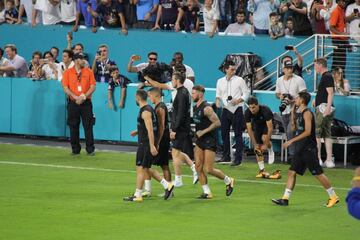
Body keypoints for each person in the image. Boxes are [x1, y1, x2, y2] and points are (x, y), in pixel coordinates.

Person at [272, 91, 339, 208]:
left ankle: (333, 196)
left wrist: (291, 141)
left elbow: (307, 132)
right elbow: (294, 127)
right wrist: (292, 109)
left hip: (308, 149)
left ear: (302, 100)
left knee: (318, 174)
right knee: (291, 172)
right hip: (300, 148)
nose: (295, 99)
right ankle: (285, 199)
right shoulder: (298, 112)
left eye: (297, 98)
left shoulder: (307, 113)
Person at [124, 89, 174, 202]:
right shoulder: (149, 109)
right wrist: (136, 131)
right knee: (144, 168)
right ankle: (166, 185)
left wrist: (152, 146)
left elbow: (151, 130)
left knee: (142, 168)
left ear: (137, 98)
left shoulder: (145, 111)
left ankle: (139, 194)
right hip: (144, 143)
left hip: (145, 144)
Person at [192, 85, 235, 199]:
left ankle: (228, 180)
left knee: (208, 169)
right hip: (199, 141)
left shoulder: (207, 108)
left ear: (200, 94)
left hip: (209, 141)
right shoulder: (195, 107)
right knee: (198, 166)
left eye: (194, 93)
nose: (192, 95)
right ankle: (207, 192)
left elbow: (217, 123)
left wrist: (203, 131)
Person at [216, 60, 250, 166]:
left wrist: (239, 100)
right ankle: (226, 156)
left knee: (238, 134)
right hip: (226, 109)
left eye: (235, 69)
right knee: (224, 133)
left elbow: (246, 92)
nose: (234, 71)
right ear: (226, 69)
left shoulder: (240, 80)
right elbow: (218, 94)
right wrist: (217, 102)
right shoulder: (220, 81)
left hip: (237, 109)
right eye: (232, 69)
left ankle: (238, 159)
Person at [61, 53, 96, 156]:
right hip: (73, 103)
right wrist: (75, 97)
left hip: (86, 103)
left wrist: (84, 96)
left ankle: (90, 149)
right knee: (73, 126)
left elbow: (93, 86)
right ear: (76, 61)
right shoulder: (68, 72)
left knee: (88, 126)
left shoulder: (88, 71)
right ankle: (75, 149)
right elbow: (65, 87)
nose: (84, 61)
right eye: (82, 59)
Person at [141, 87, 172, 197]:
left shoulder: (160, 108)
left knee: (162, 165)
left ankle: (168, 189)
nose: (149, 98)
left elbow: (162, 127)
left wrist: (157, 142)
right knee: (149, 164)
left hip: (162, 139)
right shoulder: (158, 107)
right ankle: (148, 189)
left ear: (156, 95)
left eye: (150, 96)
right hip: (160, 138)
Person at [275, 59, 307, 163]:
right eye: (288, 68)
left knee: (291, 131)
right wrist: (281, 97)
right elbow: (277, 94)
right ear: (283, 69)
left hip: (296, 110)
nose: (290, 70)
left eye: (291, 68)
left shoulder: (299, 80)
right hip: (284, 111)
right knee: (289, 134)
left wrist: (293, 100)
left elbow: (304, 95)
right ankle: (295, 155)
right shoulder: (279, 80)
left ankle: (293, 155)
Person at [170, 71, 198, 187]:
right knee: (179, 152)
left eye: (173, 79)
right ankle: (194, 168)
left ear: (177, 80)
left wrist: (174, 129)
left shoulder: (181, 94)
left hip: (180, 128)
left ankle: (178, 180)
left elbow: (180, 114)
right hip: (182, 127)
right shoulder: (183, 92)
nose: (172, 81)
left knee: (175, 153)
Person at [244, 96, 281, 179]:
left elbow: (270, 128)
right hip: (257, 125)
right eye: (250, 107)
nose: (252, 109)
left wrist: (266, 144)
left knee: (264, 138)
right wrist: (254, 143)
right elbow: (249, 129)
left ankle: (271, 150)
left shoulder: (265, 110)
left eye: (253, 107)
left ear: (258, 105)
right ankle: (262, 170)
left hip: (267, 124)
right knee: (257, 149)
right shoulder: (247, 112)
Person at [313, 58, 335, 168]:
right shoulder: (326, 76)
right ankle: (328, 160)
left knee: (318, 134)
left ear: (320, 65)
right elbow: (325, 93)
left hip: (323, 109)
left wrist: (327, 108)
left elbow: (330, 93)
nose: (315, 68)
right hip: (323, 107)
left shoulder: (326, 76)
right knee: (327, 134)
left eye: (315, 65)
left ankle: (319, 159)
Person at [329, 0, 348, 72]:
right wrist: (341, 34)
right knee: (340, 63)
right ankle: (339, 80)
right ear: (338, 2)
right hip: (338, 39)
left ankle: (333, 80)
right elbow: (331, 27)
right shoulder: (336, 11)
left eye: (345, 2)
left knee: (337, 63)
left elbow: (343, 23)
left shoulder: (342, 11)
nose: (344, 3)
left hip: (342, 39)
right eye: (342, 1)